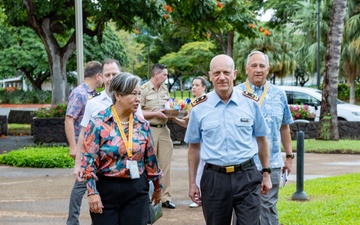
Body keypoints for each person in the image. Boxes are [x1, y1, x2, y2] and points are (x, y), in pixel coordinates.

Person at [184, 54, 272, 225]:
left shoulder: (250, 103)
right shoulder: (199, 108)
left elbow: (262, 139)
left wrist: (266, 173)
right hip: (214, 179)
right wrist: (192, 182)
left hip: (246, 176)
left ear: (235, 74)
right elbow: (193, 147)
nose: (222, 77)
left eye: (226, 72)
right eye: (217, 73)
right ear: (210, 76)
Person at [81, 73, 162, 225]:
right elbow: (88, 162)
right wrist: (92, 193)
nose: (138, 99)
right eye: (133, 94)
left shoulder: (142, 125)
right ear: (118, 95)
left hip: (136, 190)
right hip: (106, 191)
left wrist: (157, 187)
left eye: (139, 94)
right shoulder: (98, 123)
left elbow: (151, 160)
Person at [235, 51, 294, 225]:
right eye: (254, 66)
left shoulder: (279, 94)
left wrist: (289, 156)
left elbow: (284, 126)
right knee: (242, 210)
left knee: (268, 209)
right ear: (246, 69)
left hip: (273, 163)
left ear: (268, 70)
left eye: (262, 66)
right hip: (242, 164)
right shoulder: (236, 93)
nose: (258, 70)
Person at [73, 59, 144, 184]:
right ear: (101, 77)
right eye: (107, 75)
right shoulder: (93, 103)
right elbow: (83, 134)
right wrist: (78, 164)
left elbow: (142, 130)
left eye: (114, 74)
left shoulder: (132, 100)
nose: (111, 78)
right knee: (79, 192)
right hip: (97, 165)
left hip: (125, 167)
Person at [65, 60, 103, 225]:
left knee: (86, 181)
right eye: (105, 75)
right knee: (81, 182)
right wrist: (74, 147)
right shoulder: (80, 93)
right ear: (98, 76)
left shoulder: (94, 94)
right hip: (84, 146)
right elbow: (69, 119)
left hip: (94, 146)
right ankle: (72, 221)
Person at [140, 63, 176, 209]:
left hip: (164, 129)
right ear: (156, 74)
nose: (166, 78)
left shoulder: (164, 89)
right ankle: (147, 196)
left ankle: (165, 197)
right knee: (149, 164)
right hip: (150, 129)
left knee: (165, 164)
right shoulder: (143, 90)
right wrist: (155, 113)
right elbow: (137, 112)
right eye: (165, 75)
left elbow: (167, 108)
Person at [170, 76, 208, 208]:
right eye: (193, 85)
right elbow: (187, 125)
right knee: (198, 168)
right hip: (196, 140)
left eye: (197, 85)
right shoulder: (191, 104)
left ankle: (204, 195)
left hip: (206, 140)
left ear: (204, 87)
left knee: (205, 168)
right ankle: (199, 195)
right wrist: (173, 118)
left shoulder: (207, 102)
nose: (194, 88)